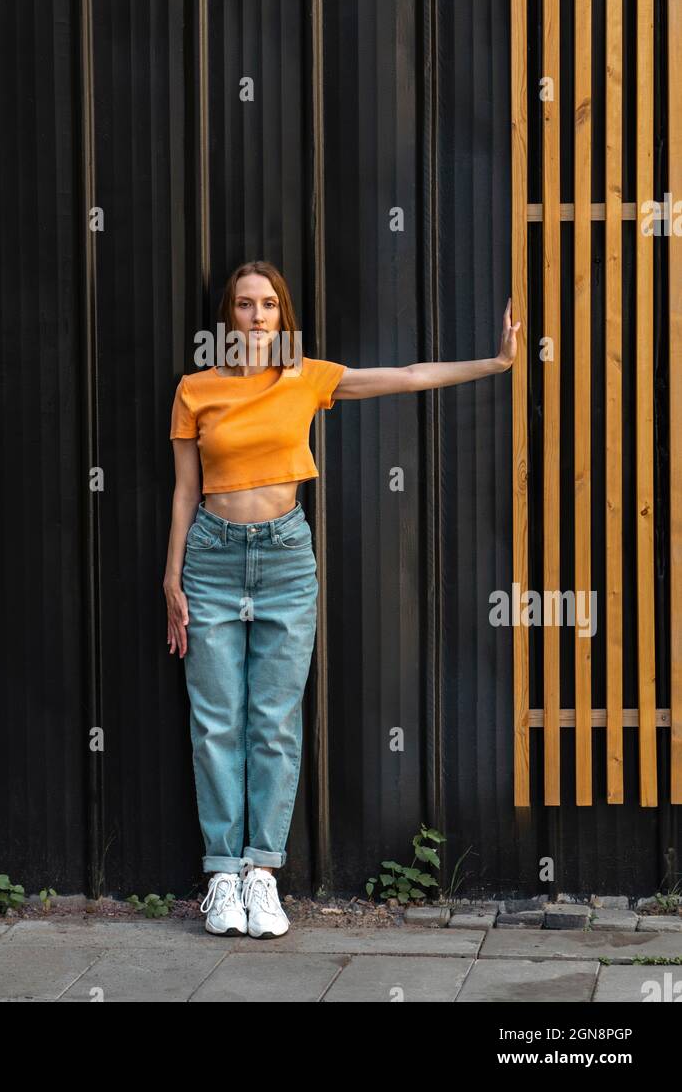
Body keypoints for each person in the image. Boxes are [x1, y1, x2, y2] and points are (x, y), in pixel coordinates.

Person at [164, 260, 520, 938]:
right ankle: (221, 876)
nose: (257, 317)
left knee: (272, 721)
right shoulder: (195, 390)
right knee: (215, 722)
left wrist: (494, 364)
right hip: (209, 558)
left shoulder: (309, 378)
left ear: (283, 316)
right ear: (226, 317)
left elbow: (408, 376)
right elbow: (185, 490)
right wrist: (171, 578)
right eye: (244, 305)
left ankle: (261, 874)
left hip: (285, 561)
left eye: (269, 305)